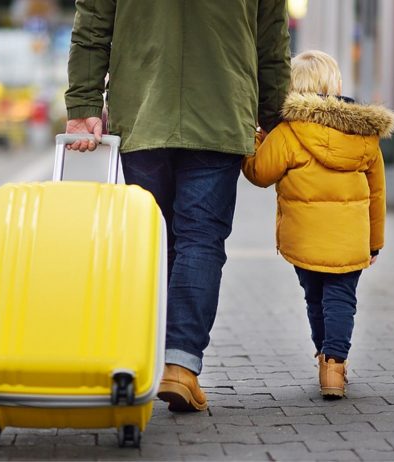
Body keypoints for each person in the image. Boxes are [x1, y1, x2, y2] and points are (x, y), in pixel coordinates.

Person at [65, 1, 291, 411]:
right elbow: (271, 37)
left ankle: (149, 355)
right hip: (221, 110)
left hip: (143, 109)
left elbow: (92, 27)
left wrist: (82, 107)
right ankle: (180, 366)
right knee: (201, 238)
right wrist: (275, 115)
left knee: (153, 240)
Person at [243, 50, 394, 399]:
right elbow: (377, 194)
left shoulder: (287, 133)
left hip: (304, 239)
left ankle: (323, 357)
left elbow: (259, 173)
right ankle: (335, 366)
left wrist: (255, 138)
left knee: (315, 299)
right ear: (337, 84)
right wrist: (375, 243)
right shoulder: (363, 134)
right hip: (350, 239)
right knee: (341, 298)